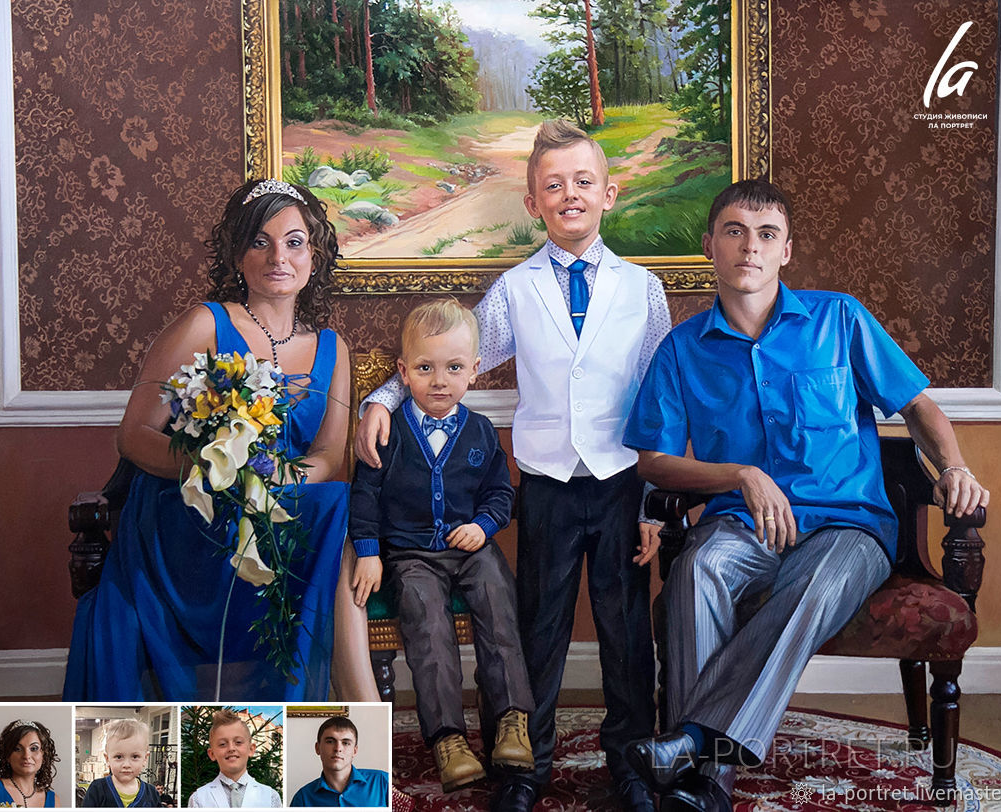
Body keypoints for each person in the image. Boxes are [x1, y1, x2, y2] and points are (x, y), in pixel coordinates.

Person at [622, 179, 991, 812]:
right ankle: (709, 788)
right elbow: (653, 461)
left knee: (817, 578)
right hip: (740, 525)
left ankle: (691, 745)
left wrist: (954, 466)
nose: (750, 247)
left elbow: (918, 407)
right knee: (696, 568)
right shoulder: (681, 349)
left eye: (767, 234)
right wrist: (741, 475)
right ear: (709, 245)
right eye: (735, 232)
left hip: (850, 526)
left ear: (786, 250)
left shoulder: (839, 318)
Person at [355, 120, 672, 812]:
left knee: (625, 630)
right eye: (553, 186)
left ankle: (629, 762)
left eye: (583, 181)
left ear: (609, 193)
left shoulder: (643, 288)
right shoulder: (514, 289)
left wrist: (653, 503)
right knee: (537, 629)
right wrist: (381, 399)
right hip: (547, 484)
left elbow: (660, 400)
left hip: (620, 482)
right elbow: (451, 357)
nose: (569, 195)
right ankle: (527, 765)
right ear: (533, 203)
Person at [62, 177, 379, 702]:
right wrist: (213, 470)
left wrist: (278, 478)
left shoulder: (333, 347)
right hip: (194, 513)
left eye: (294, 242)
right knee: (334, 512)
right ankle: (362, 708)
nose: (279, 257)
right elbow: (133, 436)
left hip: (280, 504)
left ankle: (355, 705)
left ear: (315, 256)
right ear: (236, 255)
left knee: (337, 505)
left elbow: (327, 455)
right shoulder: (204, 324)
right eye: (260, 242)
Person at [349, 298, 534, 793]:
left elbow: (499, 492)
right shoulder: (388, 431)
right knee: (427, 623)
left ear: (474, 370)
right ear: (403, 372)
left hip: (471, 549)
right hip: (411, 556)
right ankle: (448, 738)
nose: (439, 381)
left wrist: (484, 525)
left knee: (499, 600)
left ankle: (511, 720)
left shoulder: (480, 431)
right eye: (425, 368)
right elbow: (363, 495)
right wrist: (368, 551)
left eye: (454, 368)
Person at [187, 710, 281, 808]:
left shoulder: (271, 797)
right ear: (212, 754)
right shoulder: (198, 799)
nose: (231, 748)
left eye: (238, 742)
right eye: (222, 744)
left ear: (251, 749)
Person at [290, 716, 389, 807]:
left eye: (346, 743)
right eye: (330, 741)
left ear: (354, 751)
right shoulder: (303, 798)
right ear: (317, 748)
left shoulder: (383, 782)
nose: (338, 748)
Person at [0, 719, 61, 808]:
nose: (26, 756)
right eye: (17, 749)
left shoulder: (54, 800)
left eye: (34, 748)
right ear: (7, 755)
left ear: (44, 755)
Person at [80, 719, 160, 807]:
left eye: (135, 757)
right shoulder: (97, 789)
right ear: (107, 759)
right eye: (119, 757)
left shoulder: (152, 794)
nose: (126, 765)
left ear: (145, 758)